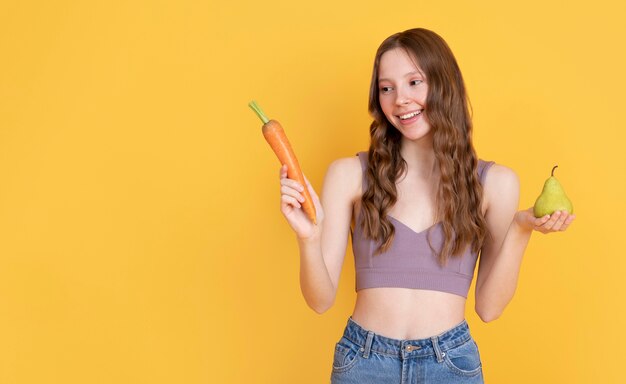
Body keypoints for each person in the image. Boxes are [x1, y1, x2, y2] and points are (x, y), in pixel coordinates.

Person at [277, 28, 575, 383]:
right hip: (363, 363)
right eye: (387, 88)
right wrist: (308, 238)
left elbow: (489, 308)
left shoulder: (495, 183)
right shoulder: (349, 175)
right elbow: (320, 300)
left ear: (444, 84)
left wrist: (522, 227)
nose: (399, 99)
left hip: (450, 366)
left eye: (414, 82)